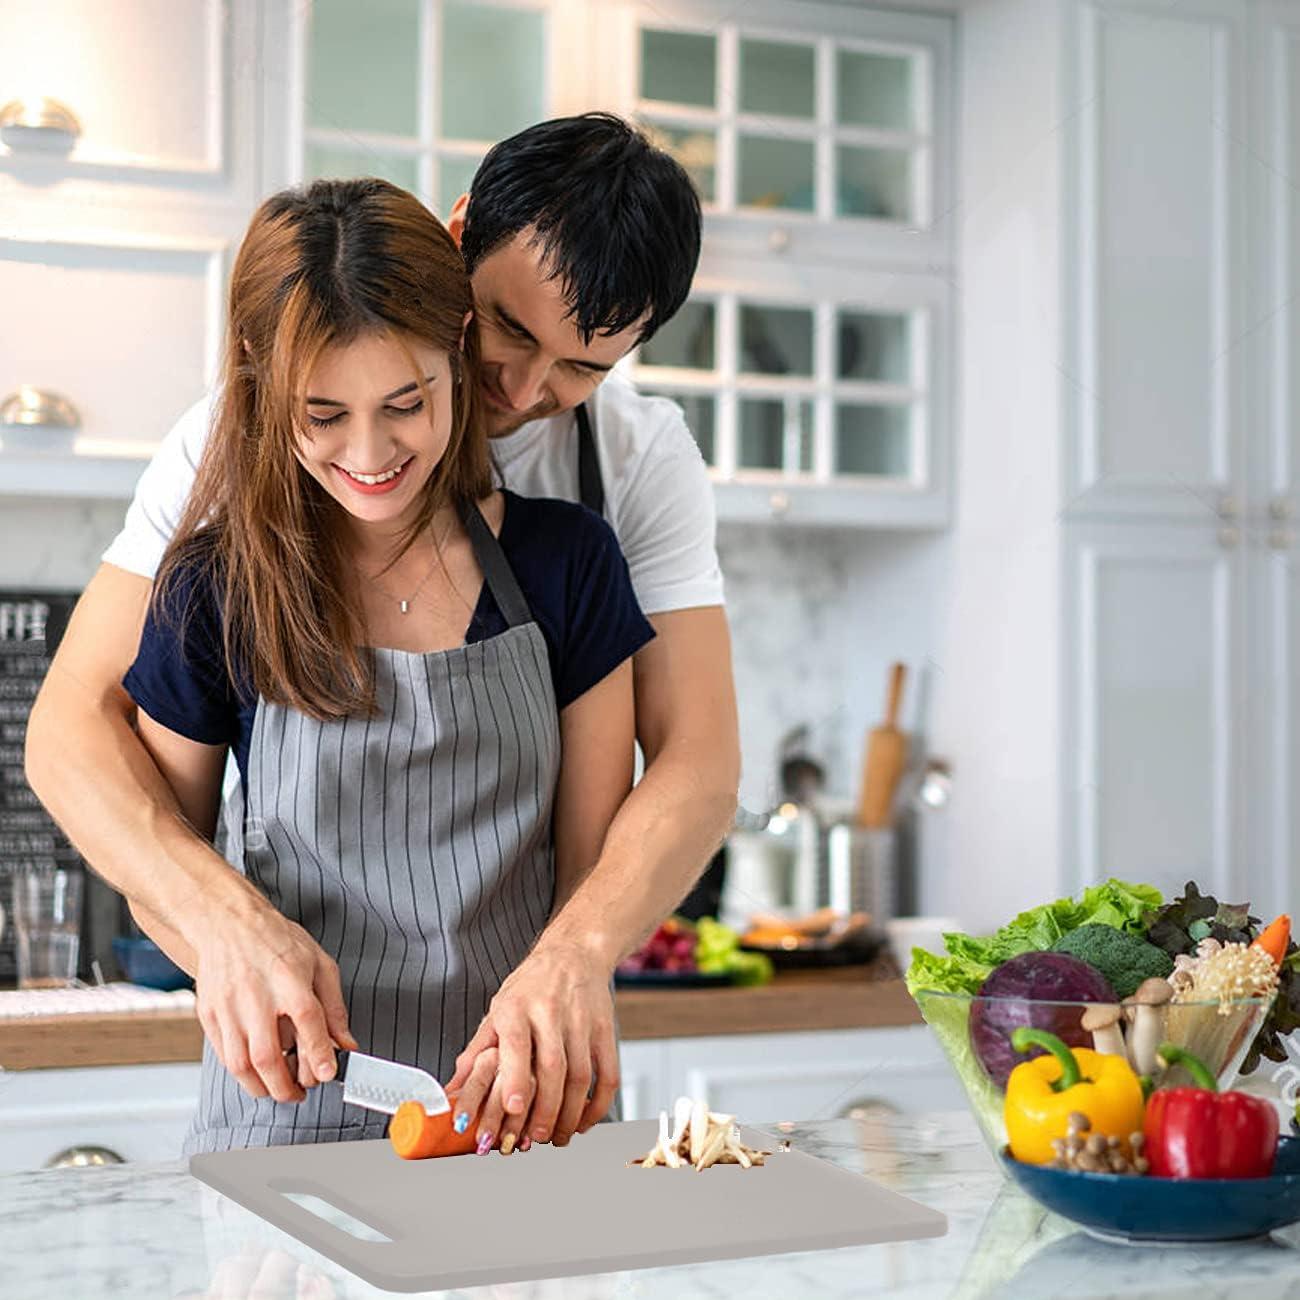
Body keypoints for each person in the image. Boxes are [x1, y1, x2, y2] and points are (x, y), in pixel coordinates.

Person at [25, 113, 741, 1153]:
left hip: (514, 1098)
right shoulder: (231, 474)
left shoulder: (615, 493)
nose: (524, 391)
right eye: (506, 330)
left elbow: (698, 762)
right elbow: (72, 729)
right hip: (287, 1107)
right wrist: (222, 924)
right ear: (456, 241)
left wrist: (575, 955)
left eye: (582, 368)